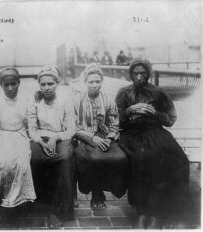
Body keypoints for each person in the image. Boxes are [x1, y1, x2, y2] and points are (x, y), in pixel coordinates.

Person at [115, 58, 193, 229]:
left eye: (142, 73)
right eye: (135, 73)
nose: (139, 76)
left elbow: (170, 119)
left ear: (148, 74)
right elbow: (116, 122)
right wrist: (129, 111)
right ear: (131, 74)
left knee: (178, 158)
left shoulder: (158, 92)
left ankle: (167, 211)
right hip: (133, 133)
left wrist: (155, 113)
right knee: (144, 157)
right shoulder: (124, 93)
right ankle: (143, 211)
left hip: (155, 131)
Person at [73, 63, 128, 208]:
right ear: (85, 82)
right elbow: (73, 125)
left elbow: (114, 122)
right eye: (91, 82)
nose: (95, 85)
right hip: (85, 138)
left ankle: (109, 188)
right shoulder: (78, 99)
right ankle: (96, 192)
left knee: (120, 158)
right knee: (92, 158)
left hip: (106, 138)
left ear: (102, 82)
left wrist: (109, 139)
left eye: (98, 81)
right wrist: (92, 137)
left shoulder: (108, 99)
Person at [0, 67, 36, 223]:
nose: (10, 88)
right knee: (4, 163)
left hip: (20, 136)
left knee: (22, 163)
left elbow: (32, 123)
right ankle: (6, 202)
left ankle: (21, 203)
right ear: (1, 85)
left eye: (13, 84)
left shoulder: (27, 100)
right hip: (3, 136)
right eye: (6, 85)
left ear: (19, 83)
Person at [28, 66, 76, 229]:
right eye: (43, 84)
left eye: (50, 84)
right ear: (39, 85)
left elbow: (71, 130)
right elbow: (32, 129)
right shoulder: (34, 101)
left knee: (63, 159)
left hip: (60, 137)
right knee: (34, 158)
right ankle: (40, 204)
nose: (47, 88)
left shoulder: (65, 101)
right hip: (39, 139)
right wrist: (40, 141)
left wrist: (55, 138)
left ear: (58, 83)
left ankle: (58, 210)